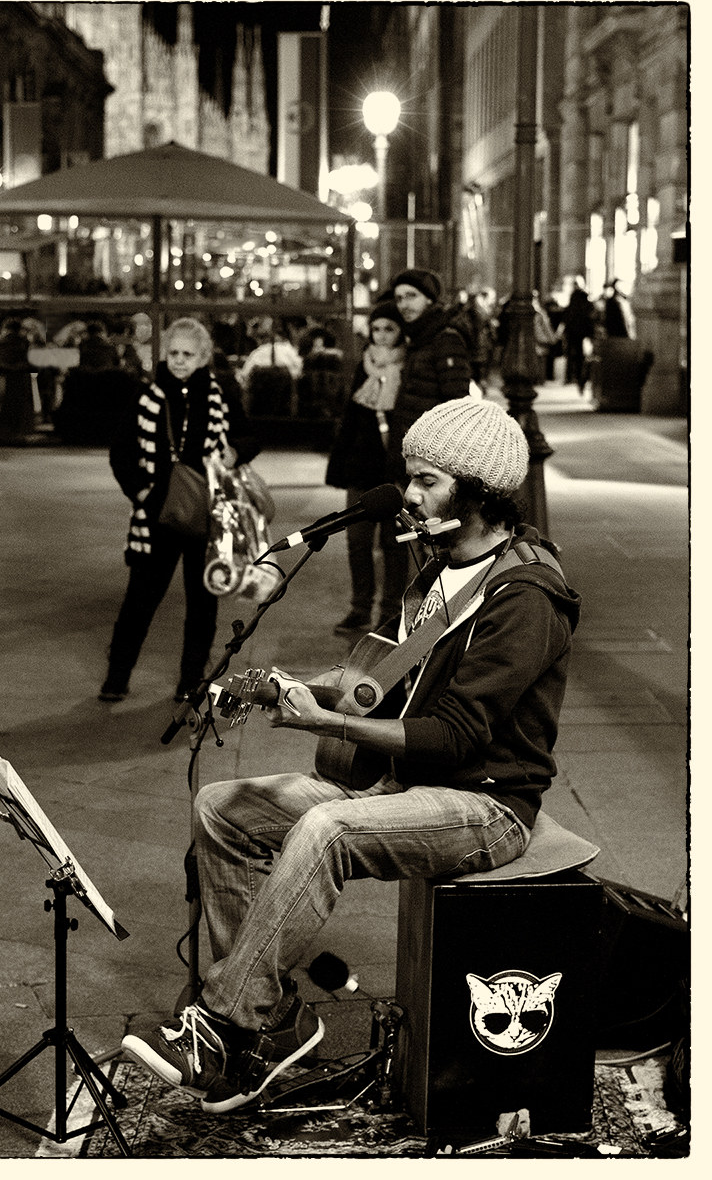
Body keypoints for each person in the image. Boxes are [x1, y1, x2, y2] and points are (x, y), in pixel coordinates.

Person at [122, 396, 581, 1114]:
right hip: (408, 786)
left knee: (326, 828)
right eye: (409, 476)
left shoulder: (525, 596)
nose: (409, 494)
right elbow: (376, 681)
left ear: (480, 491)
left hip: (487, 803)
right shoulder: (433, 573)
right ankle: (269, 1025)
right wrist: (287, 688)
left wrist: (319, 726)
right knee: (224, 808)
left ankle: (224, 1025)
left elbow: (454, 735)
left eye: (427, 480)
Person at [100, 318, 259, 702]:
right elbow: (121, 452)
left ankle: (192, 680)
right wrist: (143, 495)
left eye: (188, 354)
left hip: (207, 514)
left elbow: (250, 434)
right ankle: (117, 675)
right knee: (139, 599)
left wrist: (234, 451)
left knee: (202, 604)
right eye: (173, 353)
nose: (179, 361)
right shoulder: (148, 394)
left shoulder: (220, 393)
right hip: (158, 517)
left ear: (203, 356)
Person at [325, 300, 409, 635]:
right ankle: (360, 607)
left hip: (393, 467)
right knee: (357, 542)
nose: (383, 335)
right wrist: (341, 463)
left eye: (390, 328)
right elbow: (351, 418)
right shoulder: (365, 364)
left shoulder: (408, 366)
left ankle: (390, 611)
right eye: (377, 328)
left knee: (394, 543)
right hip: (361, 467)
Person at [385, 268, 473, 483]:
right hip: (416, 447)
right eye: (399, 298)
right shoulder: (419, 337)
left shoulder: (444, 338)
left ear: (429, 300)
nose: (404, 305)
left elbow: (457, 401)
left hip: (431, 454)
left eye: (412, 296)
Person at [561, 276, 596, 388]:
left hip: (575, 330)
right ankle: (577, 377)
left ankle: (573, 377)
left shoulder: (576, 297)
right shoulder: (583, 297)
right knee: (578, 354)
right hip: (579, 330)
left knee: (573, 354)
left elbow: (570, 314)